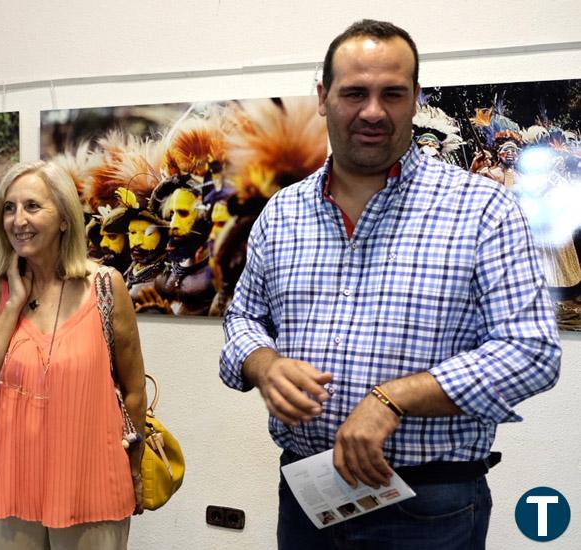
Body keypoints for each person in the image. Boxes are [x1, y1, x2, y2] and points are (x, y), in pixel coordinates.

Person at [219, 20, 560, 549]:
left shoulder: (483, 209)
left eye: (392, 94)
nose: (373, 111)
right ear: (323, 98)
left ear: (416, 99)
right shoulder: (282, 213)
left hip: (430, 509)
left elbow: (533, 353)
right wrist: (262, 364)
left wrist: (393, 399)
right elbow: (244, 318)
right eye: (354, 92)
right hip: (307, 497)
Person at [0, 160, 146, 549]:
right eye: (9, 208)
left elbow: (133, 390)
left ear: (63, 219)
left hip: (91, 485)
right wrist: (14, 306)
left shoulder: (106, 287)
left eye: (32, 206)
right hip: (12, 486)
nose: (18, 219)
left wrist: (134, 465)